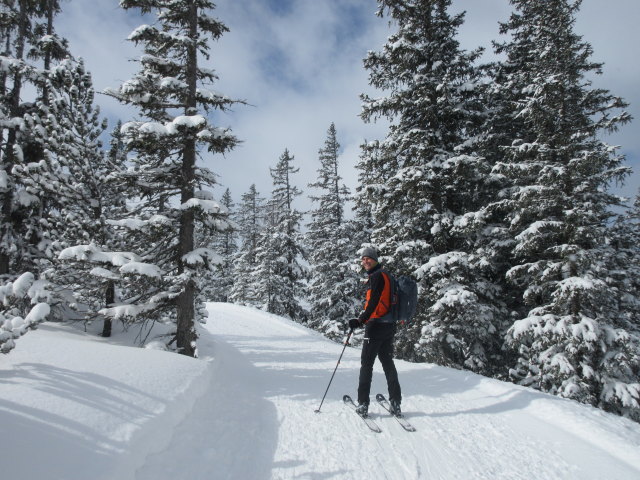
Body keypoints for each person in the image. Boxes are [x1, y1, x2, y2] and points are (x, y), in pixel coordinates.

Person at [349, 247, 402, 417]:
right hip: (389, 325)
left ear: (375, 259)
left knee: (367, 364)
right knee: (387, 363)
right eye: (363, 259)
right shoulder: (386, 275)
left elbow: (374, 302)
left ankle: (363, 403)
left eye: (368, 258)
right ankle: (395, 402)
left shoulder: (378, 276)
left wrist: (360, 320)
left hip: (376, 325)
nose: (365, 261)